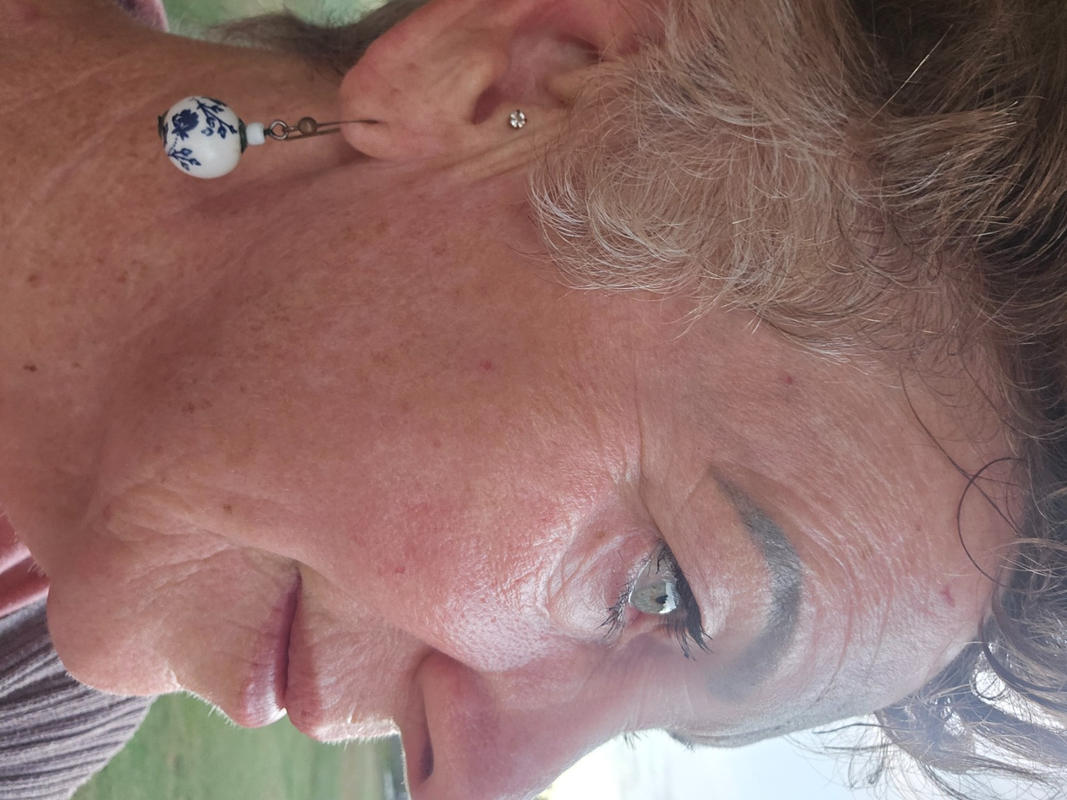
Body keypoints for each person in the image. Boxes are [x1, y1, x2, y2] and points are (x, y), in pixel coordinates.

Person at [1, 0, 1065, 797]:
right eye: (663, 591)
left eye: (639, 722)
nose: (468, 782)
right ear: (524, 81)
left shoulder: (31, 709)